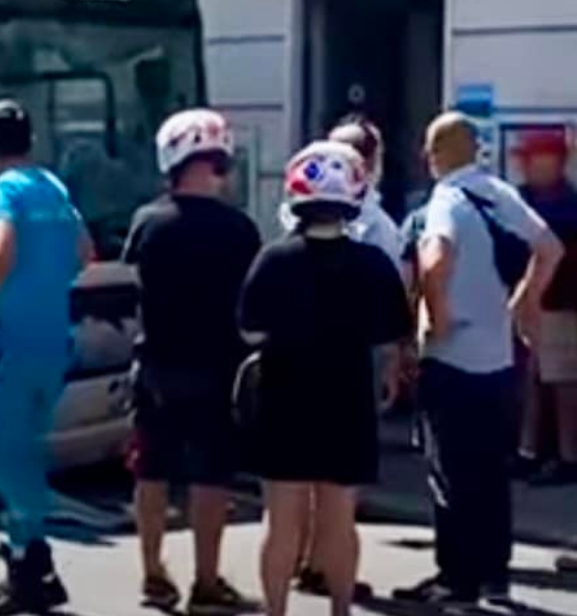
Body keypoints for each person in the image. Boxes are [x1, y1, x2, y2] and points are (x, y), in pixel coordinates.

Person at [393, 111, 565, 608]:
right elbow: (550, 248)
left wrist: (436, 318)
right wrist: (525, 304)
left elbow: (434, 259)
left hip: (453, 358)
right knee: (492, 473)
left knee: (450, 471)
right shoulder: (499, 193)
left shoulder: (446, 199)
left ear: (437, 155)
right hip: (498, 359)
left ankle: (456, 580)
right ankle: (494, 577)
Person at [240, 140, 414, 616]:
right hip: (347, 397)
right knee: (340, 519)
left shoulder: (273, 259)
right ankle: (340, 609)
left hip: (284, 397)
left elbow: (249, 327)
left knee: (281, 521)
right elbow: (394, 330)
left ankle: (276, 610)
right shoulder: (371, 263)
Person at [0, 100, 93, 616]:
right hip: (51, 339)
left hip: (10, 340)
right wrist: (47, 286)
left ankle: (30, 559)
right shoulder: (52, 188)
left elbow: (0, 249)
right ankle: (26, 554)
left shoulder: (4, 189)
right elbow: (84, 251)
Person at [122, 108, 262, 613]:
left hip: (156, 364)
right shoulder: (240, 230)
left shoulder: (147, 222)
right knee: (210, 477)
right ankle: (206, 580)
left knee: (152, 471)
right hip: (218, 368)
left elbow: (131, 283)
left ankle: (153, 573)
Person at [279, 116, 403, 600]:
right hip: (353, 358)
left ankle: (311, 560)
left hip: (300, 356)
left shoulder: (295, 212)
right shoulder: (375, 226)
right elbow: (392, 296)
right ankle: (327, 570)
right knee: (339, 480)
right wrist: (396, 357)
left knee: (307, 473)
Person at [511, 128, 577, 486]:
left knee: (562, 382)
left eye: (532, 158)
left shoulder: (564, 207)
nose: (525, 166)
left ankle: (567, 457)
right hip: (535, 303)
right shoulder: (528, 199)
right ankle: (528, 452)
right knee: (535, 381)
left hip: (560, 304)